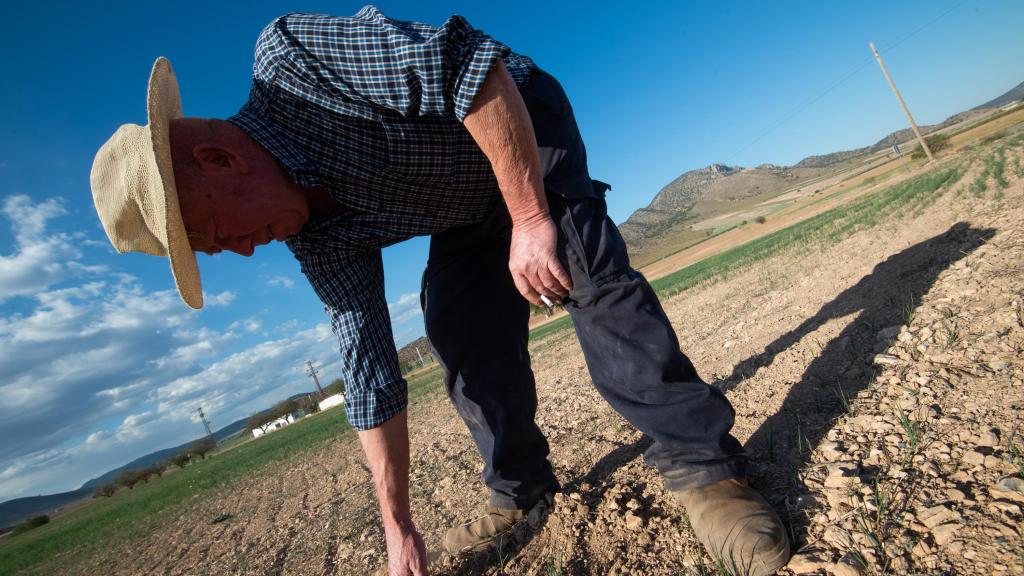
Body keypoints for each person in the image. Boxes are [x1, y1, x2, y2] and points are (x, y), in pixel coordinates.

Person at [90, 7, 789, 576]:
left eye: (218, 234)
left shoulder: (294, 60)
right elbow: (367, 372)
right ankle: (520, 490)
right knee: (458, 330)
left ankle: (706, 471)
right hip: (461, 204)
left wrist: (532, 217)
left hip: (515, 115)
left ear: (218, 159)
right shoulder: (315, 237)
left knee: (575, 263)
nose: (243, 251)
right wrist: (398, 528)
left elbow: (470, 69)